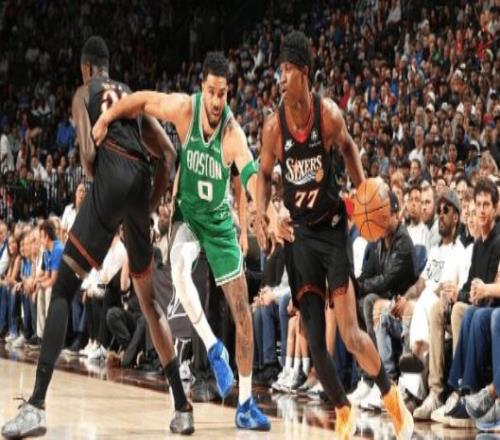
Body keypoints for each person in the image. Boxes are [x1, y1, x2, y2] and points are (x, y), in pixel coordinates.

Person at [1, 36, 193, 439]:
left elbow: (89, 157)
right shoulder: (130, 95)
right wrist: (145, 206)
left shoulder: (83, 93)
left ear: (87, 68)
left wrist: (107, 198)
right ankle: (182, 406)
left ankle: (36, 406)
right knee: (148, 300)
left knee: (63, 289)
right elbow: (169, 155)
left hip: (112, 176)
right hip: (141, 182)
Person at [93, 51, 271, 431]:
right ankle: (214, 348)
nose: (217, 101)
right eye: (212, 92)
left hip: (218, 224)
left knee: (243, 313)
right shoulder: (184, 110)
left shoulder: (233, 134)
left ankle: (245, 403)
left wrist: (263, 206)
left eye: (223, 93)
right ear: (202, 88)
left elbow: (251, 174)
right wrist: (107, 117)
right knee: (177, 267)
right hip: (188, 216)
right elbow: (142, 99)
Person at [255, 31, 413, 440]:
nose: (281, 77)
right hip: (300, 238)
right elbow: (263, 175)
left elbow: (349, 149)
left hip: (331, 231)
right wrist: (266, 214)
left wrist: (362, 194)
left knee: (350, 333)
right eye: (280, 70)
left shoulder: (327, 116)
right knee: (312, 338)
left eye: (288, 69)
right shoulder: (273, 128)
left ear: (305, 73)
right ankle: (343, 409)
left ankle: (391, 397)